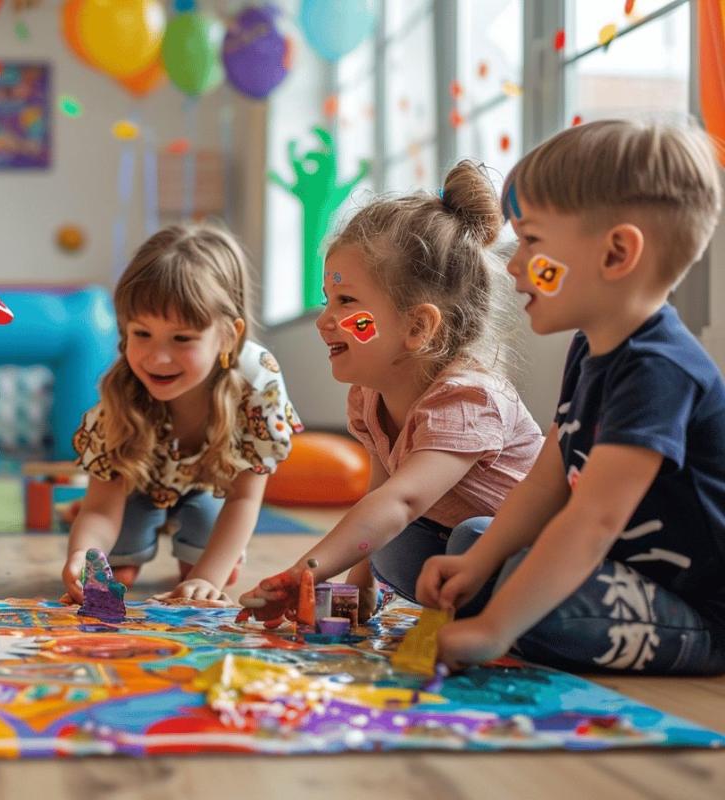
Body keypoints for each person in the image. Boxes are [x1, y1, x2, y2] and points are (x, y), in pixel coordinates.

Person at [418, 120, 725, 675]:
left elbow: (592, 522)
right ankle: (509, 604)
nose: (514, 264)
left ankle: (513, 616)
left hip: (701, 612)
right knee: (472, 540)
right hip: (618, 572)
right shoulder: (591, 347)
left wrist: (493, 627)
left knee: (535, 609)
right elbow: (547, 482)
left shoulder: (660, 369)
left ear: (615, 254)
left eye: (532, 241)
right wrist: (481, 562)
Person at [240, 161, 542, 626]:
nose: (325, 321)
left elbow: (404, 501)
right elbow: (380, 501)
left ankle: (509, 621)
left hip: (536, 553)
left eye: (346, 303)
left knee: (471, 537)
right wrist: (357, 583)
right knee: (392, 545)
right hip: (457, 548)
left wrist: (306, 572)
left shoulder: (468, 400)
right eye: (326, 300)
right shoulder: (369, 397)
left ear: (417, 326)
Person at [63, 224, 302, 604]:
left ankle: (192, 539)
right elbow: (100, 507)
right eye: (142, 334)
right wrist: (83, 554)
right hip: (137, 486)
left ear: (228, 336)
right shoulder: (122, 388)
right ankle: (131, 538)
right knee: (114, 570)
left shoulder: (257, 381)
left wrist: (209, 575)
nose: (158, 357)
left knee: (202, 575)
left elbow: (244, 498)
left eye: (182, 338)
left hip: (212, 487)